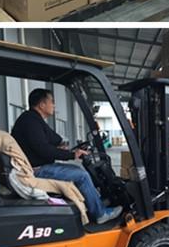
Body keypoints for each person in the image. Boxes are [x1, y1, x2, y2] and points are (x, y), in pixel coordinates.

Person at [11, 88, 122, 224]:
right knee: (82, 175)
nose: (54, 105)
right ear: (42, 105)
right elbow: (43, 149)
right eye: (52, 102)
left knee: (78, 170)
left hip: (41, 165)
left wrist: (63, 148)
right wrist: (71, 154)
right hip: (37, 170)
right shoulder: (30, 121)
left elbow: (54, 139)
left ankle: (95, 202)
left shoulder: (35, 119)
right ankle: (100, 214)